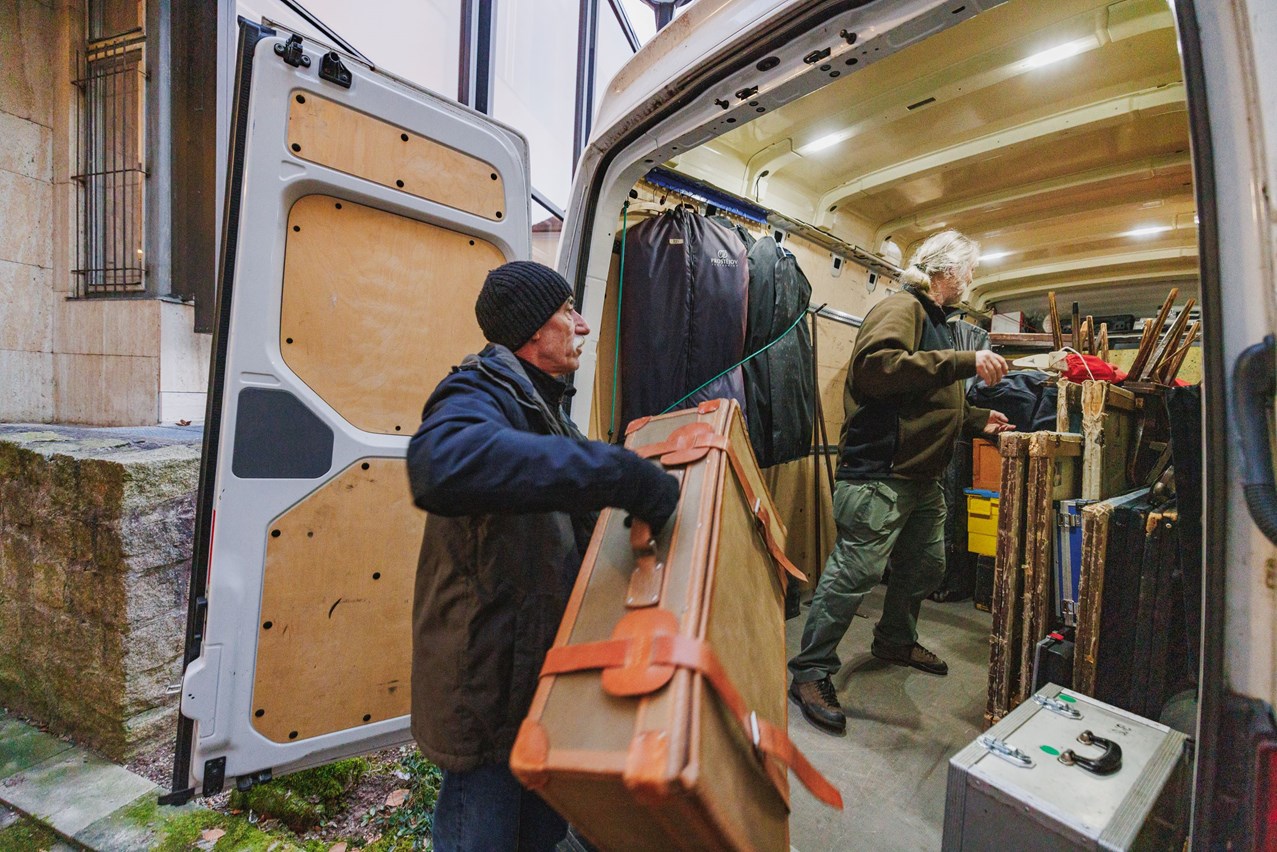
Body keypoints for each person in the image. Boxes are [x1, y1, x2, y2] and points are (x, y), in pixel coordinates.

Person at [406, 260, 681, 850]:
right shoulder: (476, 390)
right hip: (487, 684)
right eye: (567, 311)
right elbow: (439, 463)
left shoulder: (544, 403)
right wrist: (619, 474)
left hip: (539, 675)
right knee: (483, 834)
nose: (582, 325)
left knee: (540, 834)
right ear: (533, 329)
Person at [788, 230, 1014, 734]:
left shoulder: (936, 322)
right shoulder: (902, 308)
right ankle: (810, 671)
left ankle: (894, 639)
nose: (971, 279)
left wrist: (977, 419)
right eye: (968, 269)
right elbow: (877, 369)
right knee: (854, 575)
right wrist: (963, 361)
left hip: (920, 478)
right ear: (945, 270)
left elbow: (925, 398)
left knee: (926, 564)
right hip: (880, 474)